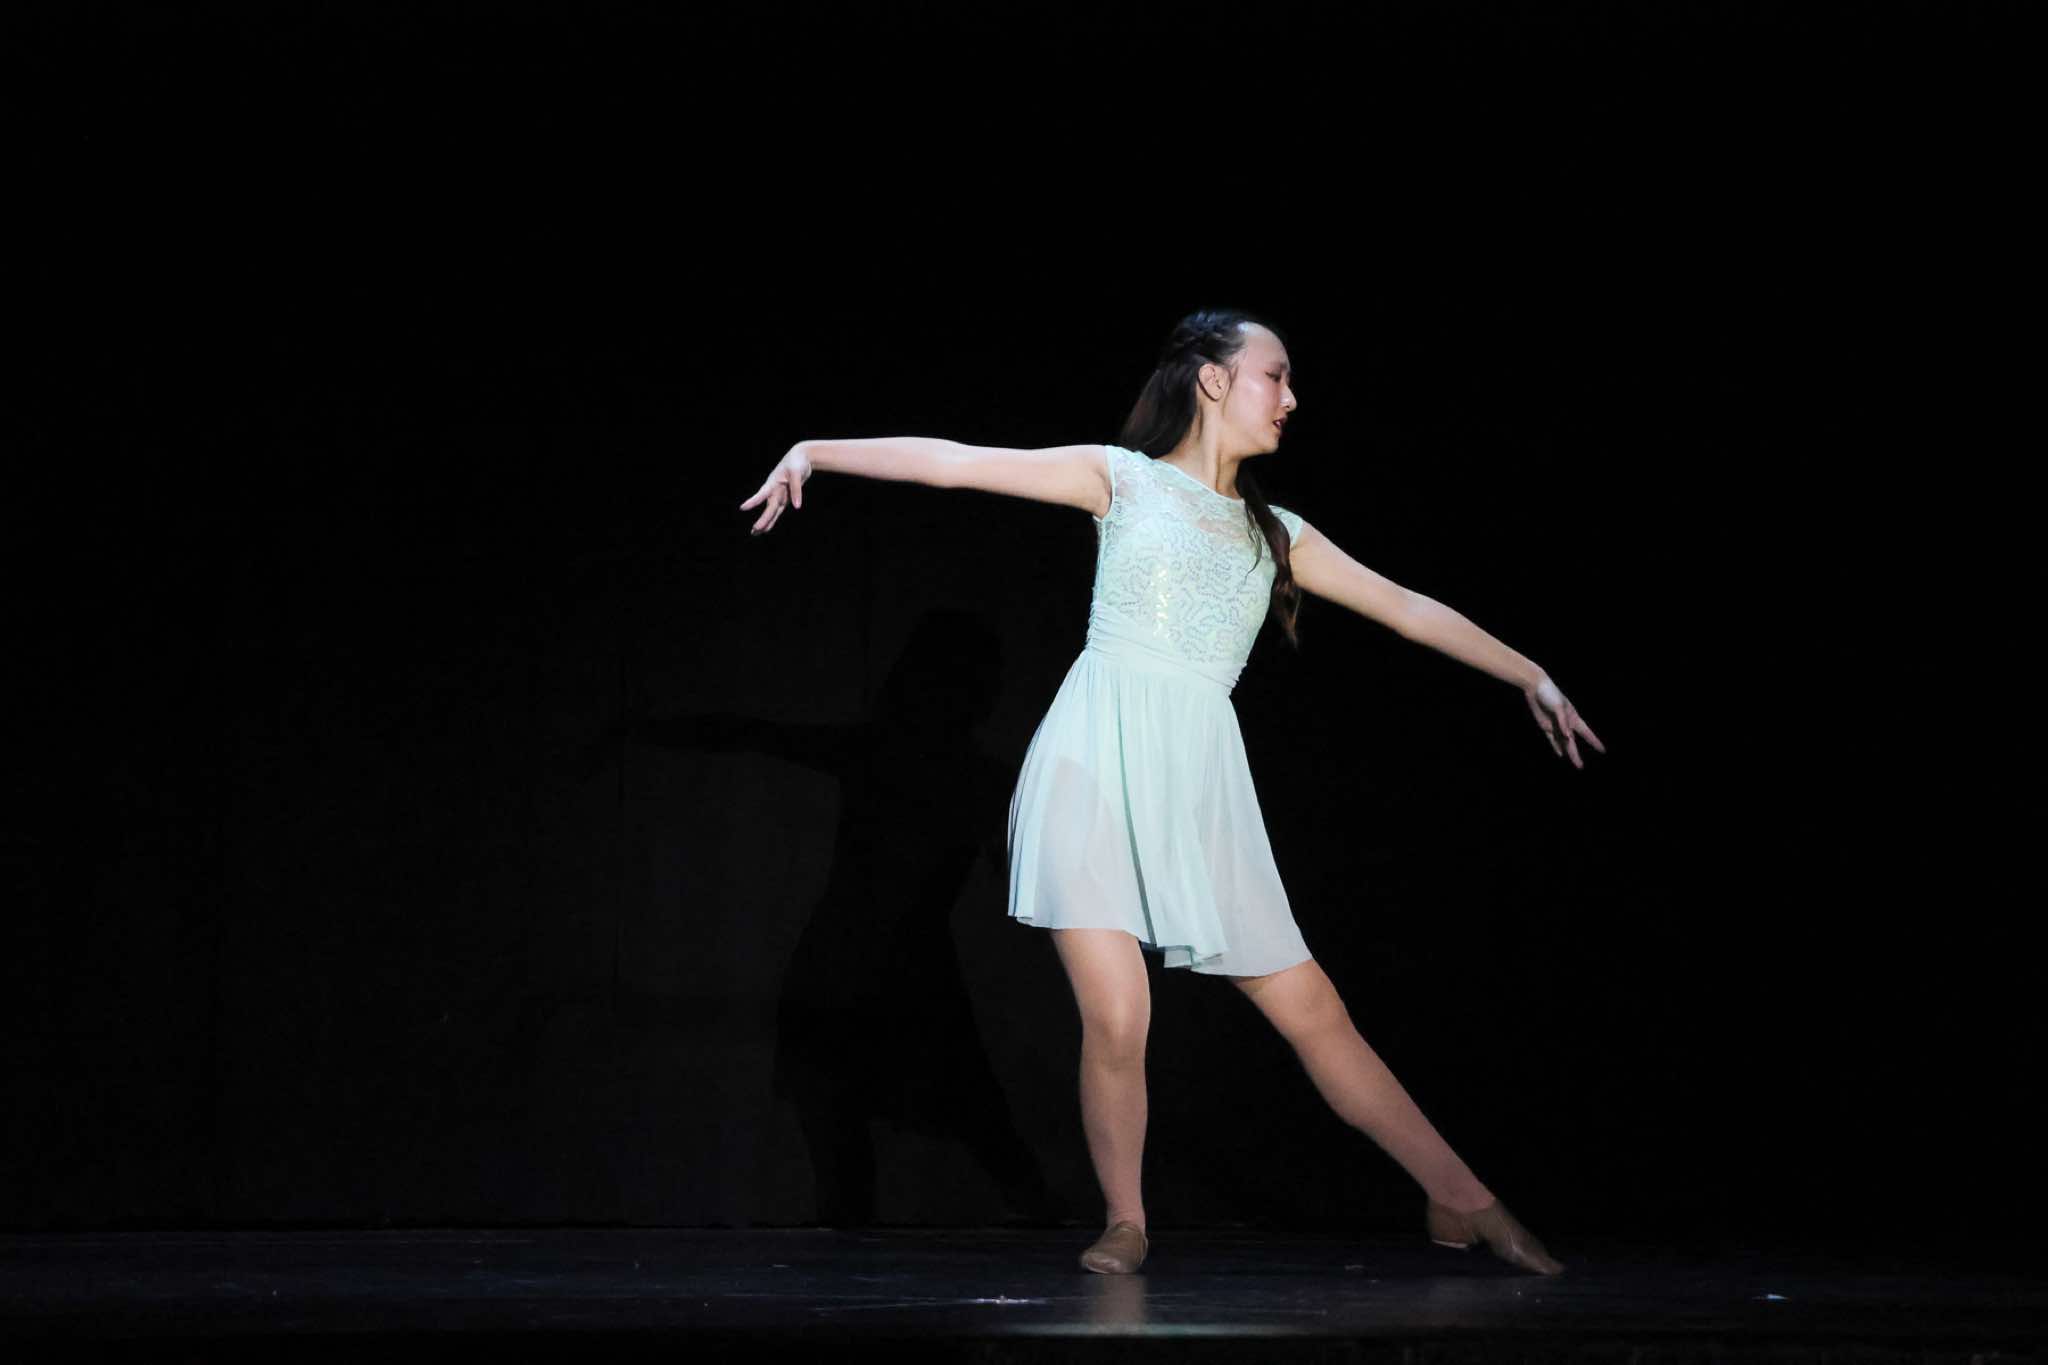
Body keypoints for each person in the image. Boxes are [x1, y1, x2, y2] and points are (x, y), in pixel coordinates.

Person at [740, 308, 1605, 1277]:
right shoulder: (1121, 479)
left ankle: (1462, 1198)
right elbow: (957, 461)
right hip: (1091, 765)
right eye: (1274, 375)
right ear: (1212, 379)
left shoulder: (1276, 534)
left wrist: (1529, 673)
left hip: (1197, 786)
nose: (1290, 398)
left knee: (1314, 1010)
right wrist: (816, 450)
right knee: (1118, 1014)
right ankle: (1126, 1220)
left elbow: (1405, 608)